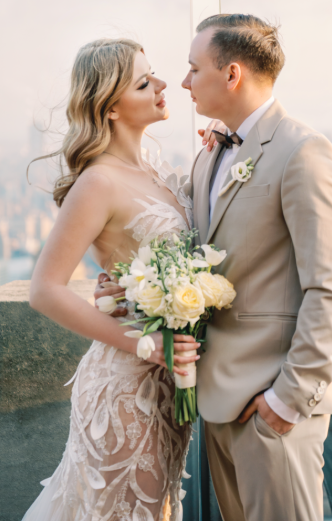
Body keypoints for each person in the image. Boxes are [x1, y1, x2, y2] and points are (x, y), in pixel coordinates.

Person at [22, 38, 220, 521]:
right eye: (143, 81)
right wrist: (147, 347)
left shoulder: (154, 171)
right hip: (125, 391)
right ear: (111, 107)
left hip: (169, 382)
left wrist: (219, 149)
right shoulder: (98, 181)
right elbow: (44, 290)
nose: (163, 84)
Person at [183, 14, 332, 521]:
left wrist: (287, 401)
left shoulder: (304, 152)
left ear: (231, 74)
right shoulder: (208, 154)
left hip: (274, 407)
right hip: (219, 405)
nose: (185, 81)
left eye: (194, 68)